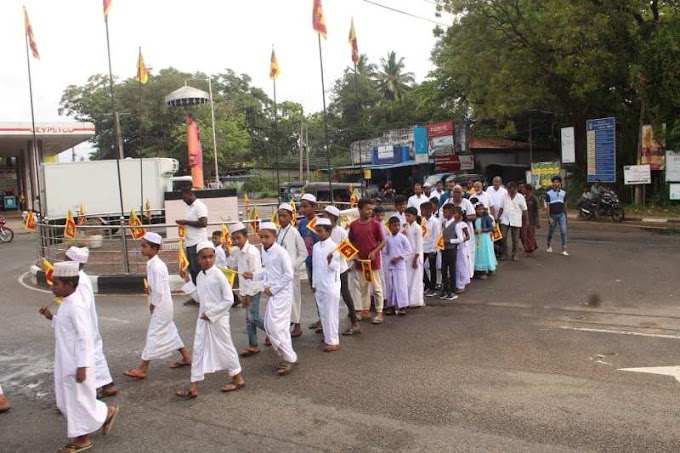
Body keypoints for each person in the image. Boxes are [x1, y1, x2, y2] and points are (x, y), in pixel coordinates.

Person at [39, 261, 119, 453]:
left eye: (56, 283)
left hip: (76, 362)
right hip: (66, 360)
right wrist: (52, 317)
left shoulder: (76, 306)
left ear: (69, 285)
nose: (52, 287)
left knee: (76, 401)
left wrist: (83, 366)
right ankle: (106, 412)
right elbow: (67, 327)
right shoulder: (67, 303)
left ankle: (82, 439)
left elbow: (85, 337)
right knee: (69, 400)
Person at [176, 241, 245, 398]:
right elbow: (199, 298)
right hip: (203, 319)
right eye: (204, 257)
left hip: (218, 320)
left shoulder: (219, 275)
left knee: (226, 348)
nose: (207, 260)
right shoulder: (200, 276)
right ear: (198, 259)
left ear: (214, 257)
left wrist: (211, 313)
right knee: (199, 350)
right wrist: (187, 282)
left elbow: (228, 300)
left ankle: (238, 378)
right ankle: (194, 387)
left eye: (210, 257)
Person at [124, 233, 192, 380]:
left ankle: (143, 368)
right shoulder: (153, 264)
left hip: (161, 305)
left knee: (153, 334)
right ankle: (187, 356)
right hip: (163, 303)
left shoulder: (157, 266)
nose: (141, 249)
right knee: (169, 330)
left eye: (144, 246)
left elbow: (159, 291)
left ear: (154, 249)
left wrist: (153, 305)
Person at [64, 246, 118, 399]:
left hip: (83, 324)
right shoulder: (80, 277)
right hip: (86, 323)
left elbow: (80, 305)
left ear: (73, 262)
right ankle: (107, 385)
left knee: (86, 354)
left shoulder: (79, 281)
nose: (63, 262)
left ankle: (91, 389)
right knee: (94, 352)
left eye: (66, 259)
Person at [245, 223, 298, 375]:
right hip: (273, 294)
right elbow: (268, 271)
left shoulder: (281, 252)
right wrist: (254, 275)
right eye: (261, 237)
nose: (264, 240)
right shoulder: (265, 251)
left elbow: (289, 275)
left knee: (276, 327)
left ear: (275, 236)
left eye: (267, 236)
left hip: (282, 294)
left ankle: (290, 358)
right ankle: (288, 356)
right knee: (271, 326)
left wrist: (273, 289)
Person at [224, 222, 265, 358]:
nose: (235, 241)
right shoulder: (237, 251)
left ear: (246, 237)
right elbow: (231, 265)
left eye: (238, 238)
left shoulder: (252, 252)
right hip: (244, 289)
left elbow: (255, 274)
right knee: (249, 319)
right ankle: (253, 345)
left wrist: (247, 295)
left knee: (254, 317)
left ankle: (275, 333)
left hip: (253, 289)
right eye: (233, 238)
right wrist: (226, 252)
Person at [348, 198, 386, 325]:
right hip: (360, 262)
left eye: (371, 209)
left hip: (373, 262)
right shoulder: (353, 225)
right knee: (363, 287)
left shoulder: (375, 224)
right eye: (367, 209)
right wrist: (355, 255)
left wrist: (375, 251)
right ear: (360, 210)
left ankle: (380, 312)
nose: (370, 211)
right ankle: (365, 310)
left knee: (376, 288)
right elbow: (350, 242)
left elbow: (383, 241)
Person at [312, 218, 348, 352]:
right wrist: (314, 283)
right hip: (320, 284)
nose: (318, 234)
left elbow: (336, 268)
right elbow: (315, 267)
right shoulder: (316, 247)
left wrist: (330, 261)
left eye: (320, 231)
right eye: (317, 231)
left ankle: (334, 341)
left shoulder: (334, 247)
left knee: (331, 313)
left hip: (331, 284)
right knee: (323, 313)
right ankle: (328, 337)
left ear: (328, 231)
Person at [324, 205, 360, 336]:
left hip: (340, 269)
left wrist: (336, 256)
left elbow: (348, 251)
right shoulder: (324, 231)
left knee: (345, 295)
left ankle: (355, 323)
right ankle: (328, 326)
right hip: (328, 269)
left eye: (326, 215)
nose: (324, 218)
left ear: (333, 217)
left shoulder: (341, 232)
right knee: (329, 297)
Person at [276, 203, 307, 338]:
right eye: (280, 216)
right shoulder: (277, 232)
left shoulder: (294, 232)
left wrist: (293, 265)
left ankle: (297, 324)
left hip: (291, 272)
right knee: (282, 299)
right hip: (279, 272)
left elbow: (303, 253)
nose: (281, 219)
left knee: (294, 298)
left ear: (291, 217)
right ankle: (284, 325)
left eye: (284, 216)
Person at [176, 187, 208, 306]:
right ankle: (196, 297)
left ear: (189, 194)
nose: (183, 200)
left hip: (197, 243)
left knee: (199, 271)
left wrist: (186, 222)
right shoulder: (190, 208)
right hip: (189, 243)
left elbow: (203, 223)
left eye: (184, 198)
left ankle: (203, 297)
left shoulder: (200, 206)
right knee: (193, 271)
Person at [298, 193, 320, 330]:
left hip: (319, 263)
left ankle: (325, 320)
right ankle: (320, 318)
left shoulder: (320, 223)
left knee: (321, 290)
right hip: (309, 261)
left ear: (314, 207)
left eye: (306, 206)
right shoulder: (302, 223)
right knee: (314, 290)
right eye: (302, 207)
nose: (303, 210)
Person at [445, 186, 476, 276]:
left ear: (462, 193)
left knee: (465, 254)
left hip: (464, 229)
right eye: (454, 192)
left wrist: (463, 218)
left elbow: (474, 216)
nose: (456, 194)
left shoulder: (467, 202)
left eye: (458, 192)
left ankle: (467, 274)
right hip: (451, 231)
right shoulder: (448, 201)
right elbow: (442, 213)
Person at [383, 216, 412, 315]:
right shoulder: (387, 238)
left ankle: (402, 306)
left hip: (400, 266)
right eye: (394, 225)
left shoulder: (402, 238)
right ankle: (391, 306)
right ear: (390, 226)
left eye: (398, 225)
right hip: (390, 266)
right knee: (391, 286)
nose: (397, 227)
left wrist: (399, 258)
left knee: (401, 286)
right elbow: (385, 251)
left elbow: (409, 250)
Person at [497, 182, 528, 261]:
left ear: (514, 188)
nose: (508, 190)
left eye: (509, 188)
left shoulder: (520, 197)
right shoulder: (505, 196)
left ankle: (515, 254)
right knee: (503, 237)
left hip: (516, 220)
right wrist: (498, 217)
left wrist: (526, 220)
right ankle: (505, 254)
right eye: (507, 188)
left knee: (515, 239)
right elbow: (501, 207)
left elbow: (525, 210)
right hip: (505, 219)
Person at [403, 207, 425, 308]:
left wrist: (416, 258)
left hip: (416, 255)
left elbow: (419, 245)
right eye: (406, 215)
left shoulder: (417, 228)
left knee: (416, 279)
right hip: (408, 255)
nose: (407, 218)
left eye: (409, 216)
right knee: (408, 278)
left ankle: (416, 300)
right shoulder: (407, 226)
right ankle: (408, 299)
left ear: (415, 217)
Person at [439, 204, 459, 301]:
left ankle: (452, 290)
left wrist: (449, 241)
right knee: (443, 269)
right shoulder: (443, 223)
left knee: (452, 270)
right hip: (444, 249)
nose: (444, 214)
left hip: (451, 249)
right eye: (443, 212)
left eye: (446, 212)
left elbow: (460, 239)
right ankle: (445, 289)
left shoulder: (456, 225)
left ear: (451, 213)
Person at [421, 201, 441, 297]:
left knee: (432, 268)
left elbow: (437, 236)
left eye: (422, 211)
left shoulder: (435, 222)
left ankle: (432, 288)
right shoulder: (423, 220)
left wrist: (434, 250)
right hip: (423, 247)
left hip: (431, 248)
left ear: (428, 211)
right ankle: (427, 283)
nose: (421, 213)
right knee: (420, 266)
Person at [546, 176, 569, 256]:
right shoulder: (548, 194)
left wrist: (566, 217)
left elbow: (565, 206)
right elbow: (548, 207)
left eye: (557, 182)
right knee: (551, 232)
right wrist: (549, 218)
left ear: (560, 183)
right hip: (553, 215)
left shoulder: (564, 193)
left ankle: (564, 249)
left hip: (561, 215)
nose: (556, 184)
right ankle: (548, 244)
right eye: (554, 182)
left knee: (563, 231)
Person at [474, 204, 497, 279]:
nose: (480, 211)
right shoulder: (474, 218)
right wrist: (475, 230)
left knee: (485, 252)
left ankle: (486, 269)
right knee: (478, 253)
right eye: (478, 209)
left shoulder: (487, 217)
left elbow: (491, 228)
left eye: (482, 209)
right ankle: (478, 270)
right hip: (477, 237)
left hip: (485, 238)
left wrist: (483, 230)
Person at [452, 207, 471, 293]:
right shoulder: (451, 224)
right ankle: (455, 283)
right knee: (455, 266)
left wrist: (460, 240)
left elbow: (467, 236)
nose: (453, 215)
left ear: (460, 215)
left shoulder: (462, 224)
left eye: (455, 213)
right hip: (453, 247)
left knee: (461, 266)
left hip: (461, 247)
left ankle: (461, 284)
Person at [521, 184, 540, 255]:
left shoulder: (534, 198)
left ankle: (530, 249)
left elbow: (537, 210)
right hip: (524, 220)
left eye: (524, 188)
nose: (522, 190)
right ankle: (531, 247)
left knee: (530, 235)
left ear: (528, 190)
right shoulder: (523, 198)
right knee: (524, 236)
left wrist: (538, 221)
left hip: (532, 220)